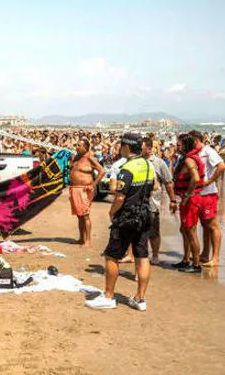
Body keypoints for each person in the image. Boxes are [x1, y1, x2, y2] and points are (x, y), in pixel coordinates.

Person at [85, 133, 154, 311]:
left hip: (127, 217)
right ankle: (140, 299)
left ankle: (108, 296)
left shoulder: (127, 168)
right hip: (145, 214)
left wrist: (111, 212)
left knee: (112, 255)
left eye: (121, 146)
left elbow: (120, 197)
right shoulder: (148, 165)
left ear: (127, 147)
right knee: (142, 256)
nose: (119, 149)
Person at [187, 130, 225, 267]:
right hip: (199, 195)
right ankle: (205, 254)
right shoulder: (195, 153)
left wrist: (209, 181)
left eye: (191, 142)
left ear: (196, 140)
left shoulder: (208, 151)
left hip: (208, 194)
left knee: (213, 225)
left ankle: (215, 258)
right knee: (204, 225)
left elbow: (222, 166)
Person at [172, 134, 205, 273]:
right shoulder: (185, 159)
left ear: (185, 146)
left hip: (191, 201)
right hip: (188, 200)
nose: (176, 147)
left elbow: (196, 178)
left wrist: (187, 195)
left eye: (179, 145)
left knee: (191, 232)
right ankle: (186, 259)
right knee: (184, 230)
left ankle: (196, 264)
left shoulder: (189, 160)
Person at [142, 137, 176, 265]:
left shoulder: (159, 163)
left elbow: (168, 182)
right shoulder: (136, 161)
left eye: (142, 147)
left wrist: (173, 200)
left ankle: (155, 255)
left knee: (153, 232)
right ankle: (141, 256)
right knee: (139, 232)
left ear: (150, 149)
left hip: (153, 203)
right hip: (137, 203)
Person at [69, 138, 104, 247]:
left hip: (85, 189)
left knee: (85, 215)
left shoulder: (90, 158)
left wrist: (93, 184)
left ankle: (88, 240)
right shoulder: (75, 158)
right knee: (79, 215)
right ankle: (81, 238)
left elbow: (102, 171)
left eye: (79, 145)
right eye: (77, 145)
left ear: (86, 147)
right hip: (74, 188)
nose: (77, 147)